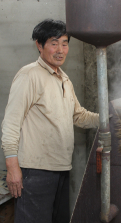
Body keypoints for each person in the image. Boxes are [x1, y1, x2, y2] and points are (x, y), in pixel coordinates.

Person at [1, 19, 99, 223]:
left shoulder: (63, 78)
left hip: (61, 168)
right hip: (35, 171)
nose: (61, 50)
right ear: (39, 44)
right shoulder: (29, 75)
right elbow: (11, 124)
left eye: (65, 43)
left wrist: (109, 118)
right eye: (54, 43)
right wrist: (12, 168)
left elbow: (78, 115)